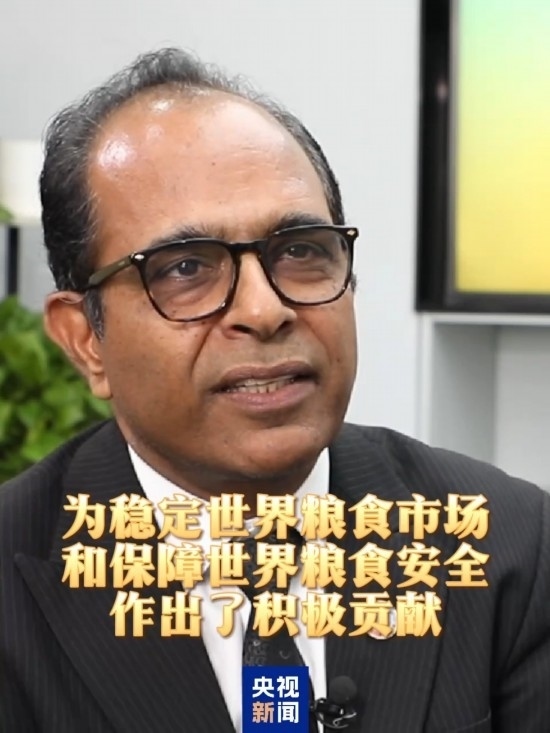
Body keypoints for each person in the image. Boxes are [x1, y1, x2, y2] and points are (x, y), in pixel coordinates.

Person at [1, 48, 548, 733]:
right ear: (86, 338)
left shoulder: (508, 545)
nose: (264, 310)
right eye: (186, 268)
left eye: (300, 251)